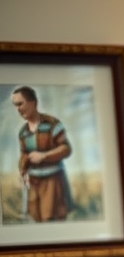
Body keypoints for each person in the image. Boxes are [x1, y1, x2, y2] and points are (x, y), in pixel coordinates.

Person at [11, 85, 73, 222]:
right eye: (15, 106)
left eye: (20, 104)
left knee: (51, 221)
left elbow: (66, 149)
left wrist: (44, 156)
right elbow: (23, 155)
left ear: (33, 103)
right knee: (35, 219)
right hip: (33, 185)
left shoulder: (52, 124)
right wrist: (22, 173)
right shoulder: (23, 132)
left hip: (52, 182)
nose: (18, 109)